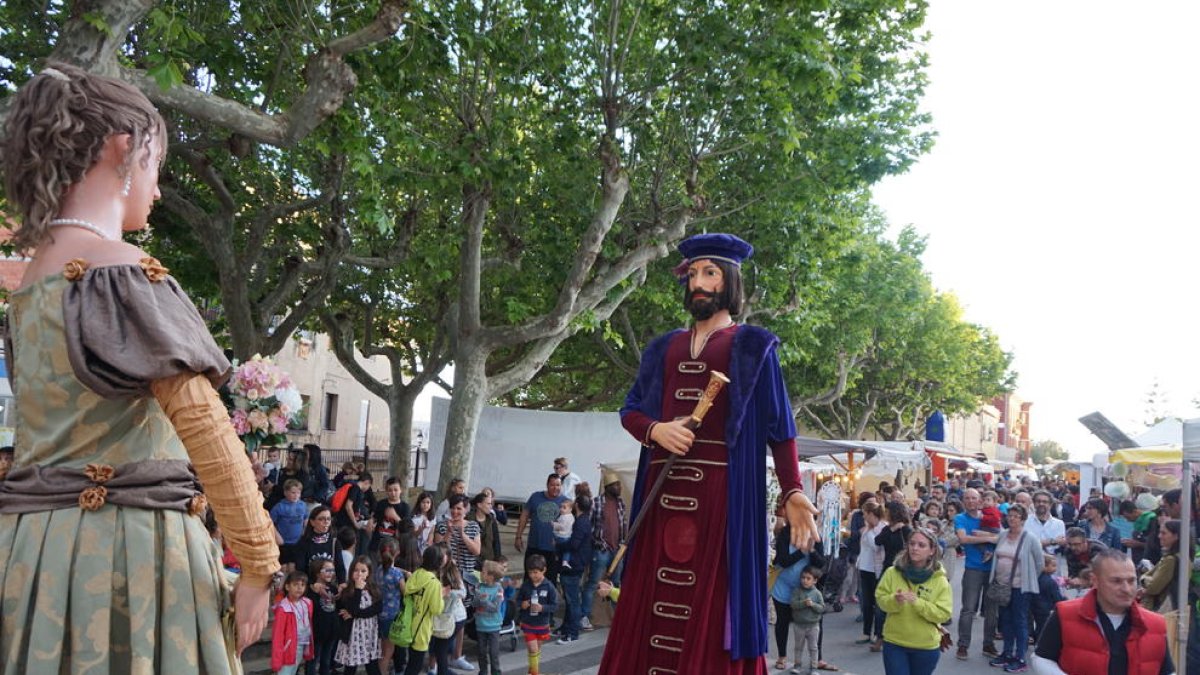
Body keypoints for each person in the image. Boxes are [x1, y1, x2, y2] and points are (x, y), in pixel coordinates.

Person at [0, 62, 278, 672]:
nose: (156, 187)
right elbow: (205, 429)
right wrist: (259, 563)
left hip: (31, 554)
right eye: (156, 163)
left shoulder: (31, 286)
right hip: (128, 555)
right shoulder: (121, 270)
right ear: (122, 148)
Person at [598, 233, 819, 674]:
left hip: (723, 501)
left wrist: (792, 490)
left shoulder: (753, 347)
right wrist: (656, 430)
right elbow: (630, 410)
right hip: (660, 495)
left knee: (714, 601)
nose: (698, 282)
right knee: (650, 598)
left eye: (710, 273)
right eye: (694, 274)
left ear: (730, 281)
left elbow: (781, 430)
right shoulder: (662, 347)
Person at [1031, 549, 1174, 675]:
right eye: (1116, 581)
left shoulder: (1155, 624)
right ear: (1095, 580)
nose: (1126, 589)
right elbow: (1041, 658)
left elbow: (1167, 671)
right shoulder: (1065, 614)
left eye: (1131, 581)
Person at [874, 528, 953, 675]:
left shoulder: (940, 580)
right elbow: (880, 600)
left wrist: (918, 603)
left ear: (932, 551)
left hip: (925, 647)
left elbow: (943, 614)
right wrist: (894, 600)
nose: (915, 548)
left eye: (921, 545)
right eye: (912, 543)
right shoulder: (892, 572)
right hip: (895, 642)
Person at [987, 503, 1045, 673]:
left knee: (1019, 621)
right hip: (1002, 586)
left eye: (1016, 516)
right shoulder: (1003, 535)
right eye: (1009, 515)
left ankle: (1020, 657)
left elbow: (1039, 563)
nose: (1011, 519)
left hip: (1020, 587)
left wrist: (1028, 578)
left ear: (1023, 519)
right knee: (1005, 620)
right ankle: (1006, 653)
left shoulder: (1030, 538)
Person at [772, 507, 827, 669]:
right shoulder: (784, 534)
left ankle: (818, 659)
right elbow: (783, 561)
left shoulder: (815, 535)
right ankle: (782, 656)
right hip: (784, 587)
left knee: (815, 622)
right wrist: (802, 552)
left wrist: (812, 550)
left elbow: (821, 563)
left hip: (807, 589)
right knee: (782, 621)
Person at [955, 488, 1001, 660]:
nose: (970, 501)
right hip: (972, 568)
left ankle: (988, 644)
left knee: (991, 610)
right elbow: (963, 539)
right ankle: (963, 645)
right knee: (968, 609)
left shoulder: (990, 516)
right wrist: (989, 538)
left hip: (993, 569)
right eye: (967, 498)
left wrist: (988, 536)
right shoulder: (960, 518)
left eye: (974, 498)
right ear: (963, 501)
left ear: (980, 500)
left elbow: (1002, 536)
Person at [582, 469, 627, 629]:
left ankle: (619, 618)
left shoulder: (621, 503)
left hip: (617, 551)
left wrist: (622, 544)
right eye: (616, 485)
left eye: (619, 484)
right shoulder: (596, 502)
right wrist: (596, 542)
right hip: (601, 549)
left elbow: (623, 525)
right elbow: (588, 526)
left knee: (616, 585)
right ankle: (584, 616)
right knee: (593, 583)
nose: (619, 487)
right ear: (608, 487)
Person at [399, 546, 448, 675]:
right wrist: (441, 596)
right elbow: (436, 609)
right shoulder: (434, 583)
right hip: (421, 629)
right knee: (415, 666)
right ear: (438, 562)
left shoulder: (416, 573)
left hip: (408, 624)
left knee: (411, 663)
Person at [514, 474, 568, 584]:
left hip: (553, 549)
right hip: (534, 546)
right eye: (552, 485)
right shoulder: (535, 497)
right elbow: (524, 516)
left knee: (550, 580)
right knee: (529, 578)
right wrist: (518, 536)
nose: (555, 488)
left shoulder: (566, 502)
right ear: (547, 485)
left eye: (558, 485)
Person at [335, 556, 383, 675]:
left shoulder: (374, 589)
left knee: (372, 666)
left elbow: (377, 608)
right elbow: (353, 609)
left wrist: (355, 614)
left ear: (369, 573)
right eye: (356, 570)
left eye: (363, 571)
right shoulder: (347, 591)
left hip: (370, 634)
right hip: (353, 636)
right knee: (350, 667)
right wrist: (358, 590)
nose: (359, 574)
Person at [557, 494, 594, 644]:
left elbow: (574, 544)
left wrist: (559, 545)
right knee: (570, 598)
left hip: (573, 564)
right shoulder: (585, 521)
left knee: (572, 600)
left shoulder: (580, 522)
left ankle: (572, 632)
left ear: (577, 505)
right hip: (578, 563)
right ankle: (566, 628)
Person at [519, 554, 558, 675]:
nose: (532, 575)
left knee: (536, 650)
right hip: (528, 623)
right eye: (530, 572)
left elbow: (554, 606)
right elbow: (518, 601)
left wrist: (542, 608)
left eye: (535, 572)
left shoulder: (549, 587)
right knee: (533, 648)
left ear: (544, 570)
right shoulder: (526, 585)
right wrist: (522, 604)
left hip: (542, 624)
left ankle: (531, 671)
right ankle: (535, 673)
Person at [272, 570, 316, 675]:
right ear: (287, 587)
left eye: (302, 585)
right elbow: (277, 636)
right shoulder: (283, 608)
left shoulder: (307, 603)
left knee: (293, 671)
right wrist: (277, 660)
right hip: (288, 648)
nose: (299, 588)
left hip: (301, 645)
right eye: (296, 584)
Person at [856, 502, 886, 650]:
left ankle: (878, 633)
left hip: (875, 570)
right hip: (865, 567)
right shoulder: (868, 528)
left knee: (877, 603)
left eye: (865, 514)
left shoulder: (881, 528)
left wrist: (869, 534)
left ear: (870, 514)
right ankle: (866, 632)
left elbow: (876, 546)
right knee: (866, 603)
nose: (863, 517)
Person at [306, 559, 341, 675]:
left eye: (332, 570)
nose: (331, 573)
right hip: (317, 633)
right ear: (317, 572)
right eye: (327, 570)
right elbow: (311, 608)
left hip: (331, 632)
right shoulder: (311, 590)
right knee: (312, 661)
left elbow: (337, 607)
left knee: (326, 661)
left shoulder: (333, 589)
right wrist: (314, 592)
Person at [1139, 519, 1180, 614]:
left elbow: (1153, 587)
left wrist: (1144, 578)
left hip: (1164, 608)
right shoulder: (1180, 556)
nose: (1159, 536)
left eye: (1164, 533)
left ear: (1176, 536)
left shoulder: (1170, 560)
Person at [790, 566, 825, 675]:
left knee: (813, 648)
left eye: (808, 578)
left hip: (813, 626)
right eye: (803, 578)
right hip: (799, 625)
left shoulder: (817, 593)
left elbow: (822, 608)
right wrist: (803, 603)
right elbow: (793, 605)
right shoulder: (797, 591)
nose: (805, 580)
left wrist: (813, 604)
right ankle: (797, 665)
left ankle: (814, 667)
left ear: (815, 581)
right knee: (798, 647)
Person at [472, 560, 505, 675]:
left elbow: (495, 607)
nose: (481, 573)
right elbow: (474, 604)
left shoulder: (499, 589)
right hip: (480, 625)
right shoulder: (479, 587)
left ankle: (496, 672)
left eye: (483, 572)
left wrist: (483, 600)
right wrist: (477, 599)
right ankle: (483, 672)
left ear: (491, 576)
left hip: (494, 626)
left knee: (493, 653)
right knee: (481, 652)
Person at [272, 479, 310, 572]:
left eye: (298, 493)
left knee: (293, 566)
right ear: (285, 492)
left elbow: (306, 518)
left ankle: (291, 580)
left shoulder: (302, 505)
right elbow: (270, 523)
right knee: (283, 567)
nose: (296, 495)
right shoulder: (279, 507)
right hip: (284, 542)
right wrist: (277, 536)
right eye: (293, 493)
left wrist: (305, 531)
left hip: (297, 542)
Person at [372, 477, 412, 554]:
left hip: (395, 547)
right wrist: (371, 522)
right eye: (390, 490)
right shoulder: (381, 504)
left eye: (396, 490)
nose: (393, 493)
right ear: (386, 491)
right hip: (378, 544)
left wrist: (395, 517)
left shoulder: (405, 507)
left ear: (401, 490)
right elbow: (374, 518)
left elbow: (407, 528)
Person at [1030, 556, 1064, 646]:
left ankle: (1036, 640)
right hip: (1046, 608)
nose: (1055, 568)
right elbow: (1056, 597)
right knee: (1043, 627)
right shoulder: (1051, 582)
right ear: (1044, 566)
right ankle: (1040, 644)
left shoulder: (1037, 578)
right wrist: (1064, 600)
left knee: (1038, 625)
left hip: (1036, 605)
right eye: (1053, 565)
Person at [1025, 490, 1066, 558]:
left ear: (1050, 504)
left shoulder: (1059, 524)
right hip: (1030, 559)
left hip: (1053, 560)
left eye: (1045, 502)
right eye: (1038, 501)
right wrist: (1053, 541)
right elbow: (1026, 544)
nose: (1041, 504)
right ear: (1034, 503)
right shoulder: (1025, 521)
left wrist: (1040, 543)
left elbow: (1061, 543)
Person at [470, 491, 503, 565]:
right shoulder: (469, 520)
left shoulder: (492, 520)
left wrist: (498, 559)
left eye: (491, 504)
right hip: (472, 562)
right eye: (488, 504)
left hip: (489, 560)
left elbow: (496, 541)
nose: (491, 506)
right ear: (479, 505)